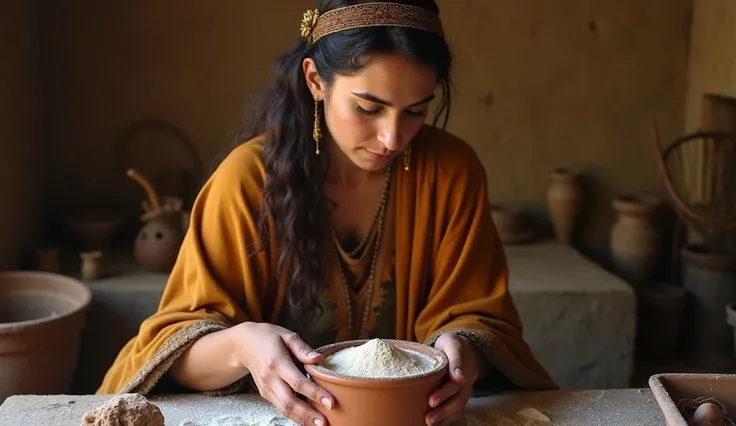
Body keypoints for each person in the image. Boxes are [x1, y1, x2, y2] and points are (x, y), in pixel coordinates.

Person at [98, 1, 557, 425]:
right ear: (316, 81)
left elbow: (480, 318)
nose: (393, 138)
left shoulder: (452, 172)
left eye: (416, 111)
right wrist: (242, 347)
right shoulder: (246, 182)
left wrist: (464, 353)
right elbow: (171, 349)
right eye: (368, 107)